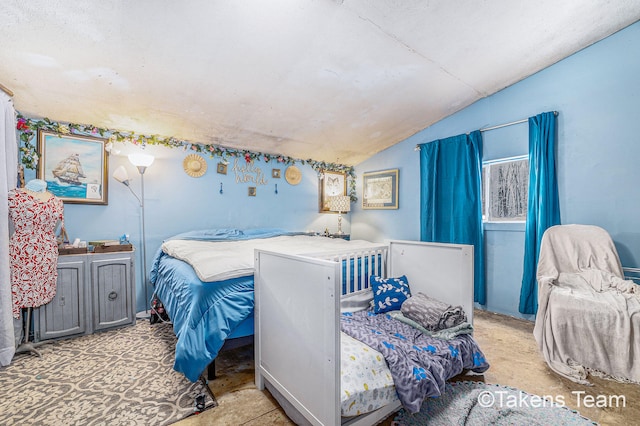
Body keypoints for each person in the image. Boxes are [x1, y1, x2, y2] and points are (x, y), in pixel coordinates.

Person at [8, 179, 64, 319]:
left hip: (46, 253)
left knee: (41, 288)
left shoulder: (57, 201)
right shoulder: (12, 196)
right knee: (20, 286)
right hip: (22, 252)